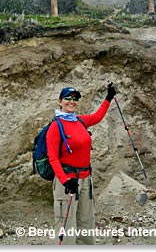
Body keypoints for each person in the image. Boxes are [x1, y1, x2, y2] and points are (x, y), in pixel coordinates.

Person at [46, 84, 116, 245]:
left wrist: (108, 98)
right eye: (68, 98)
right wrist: (65, 181)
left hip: (85, 179)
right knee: (67, 224)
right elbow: (53, 158)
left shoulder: (80, 121)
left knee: (86, 221)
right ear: (60, 101)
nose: (72, 101)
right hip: (67, 182)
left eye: (75, 98)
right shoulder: (56, 127)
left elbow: (97, 117)